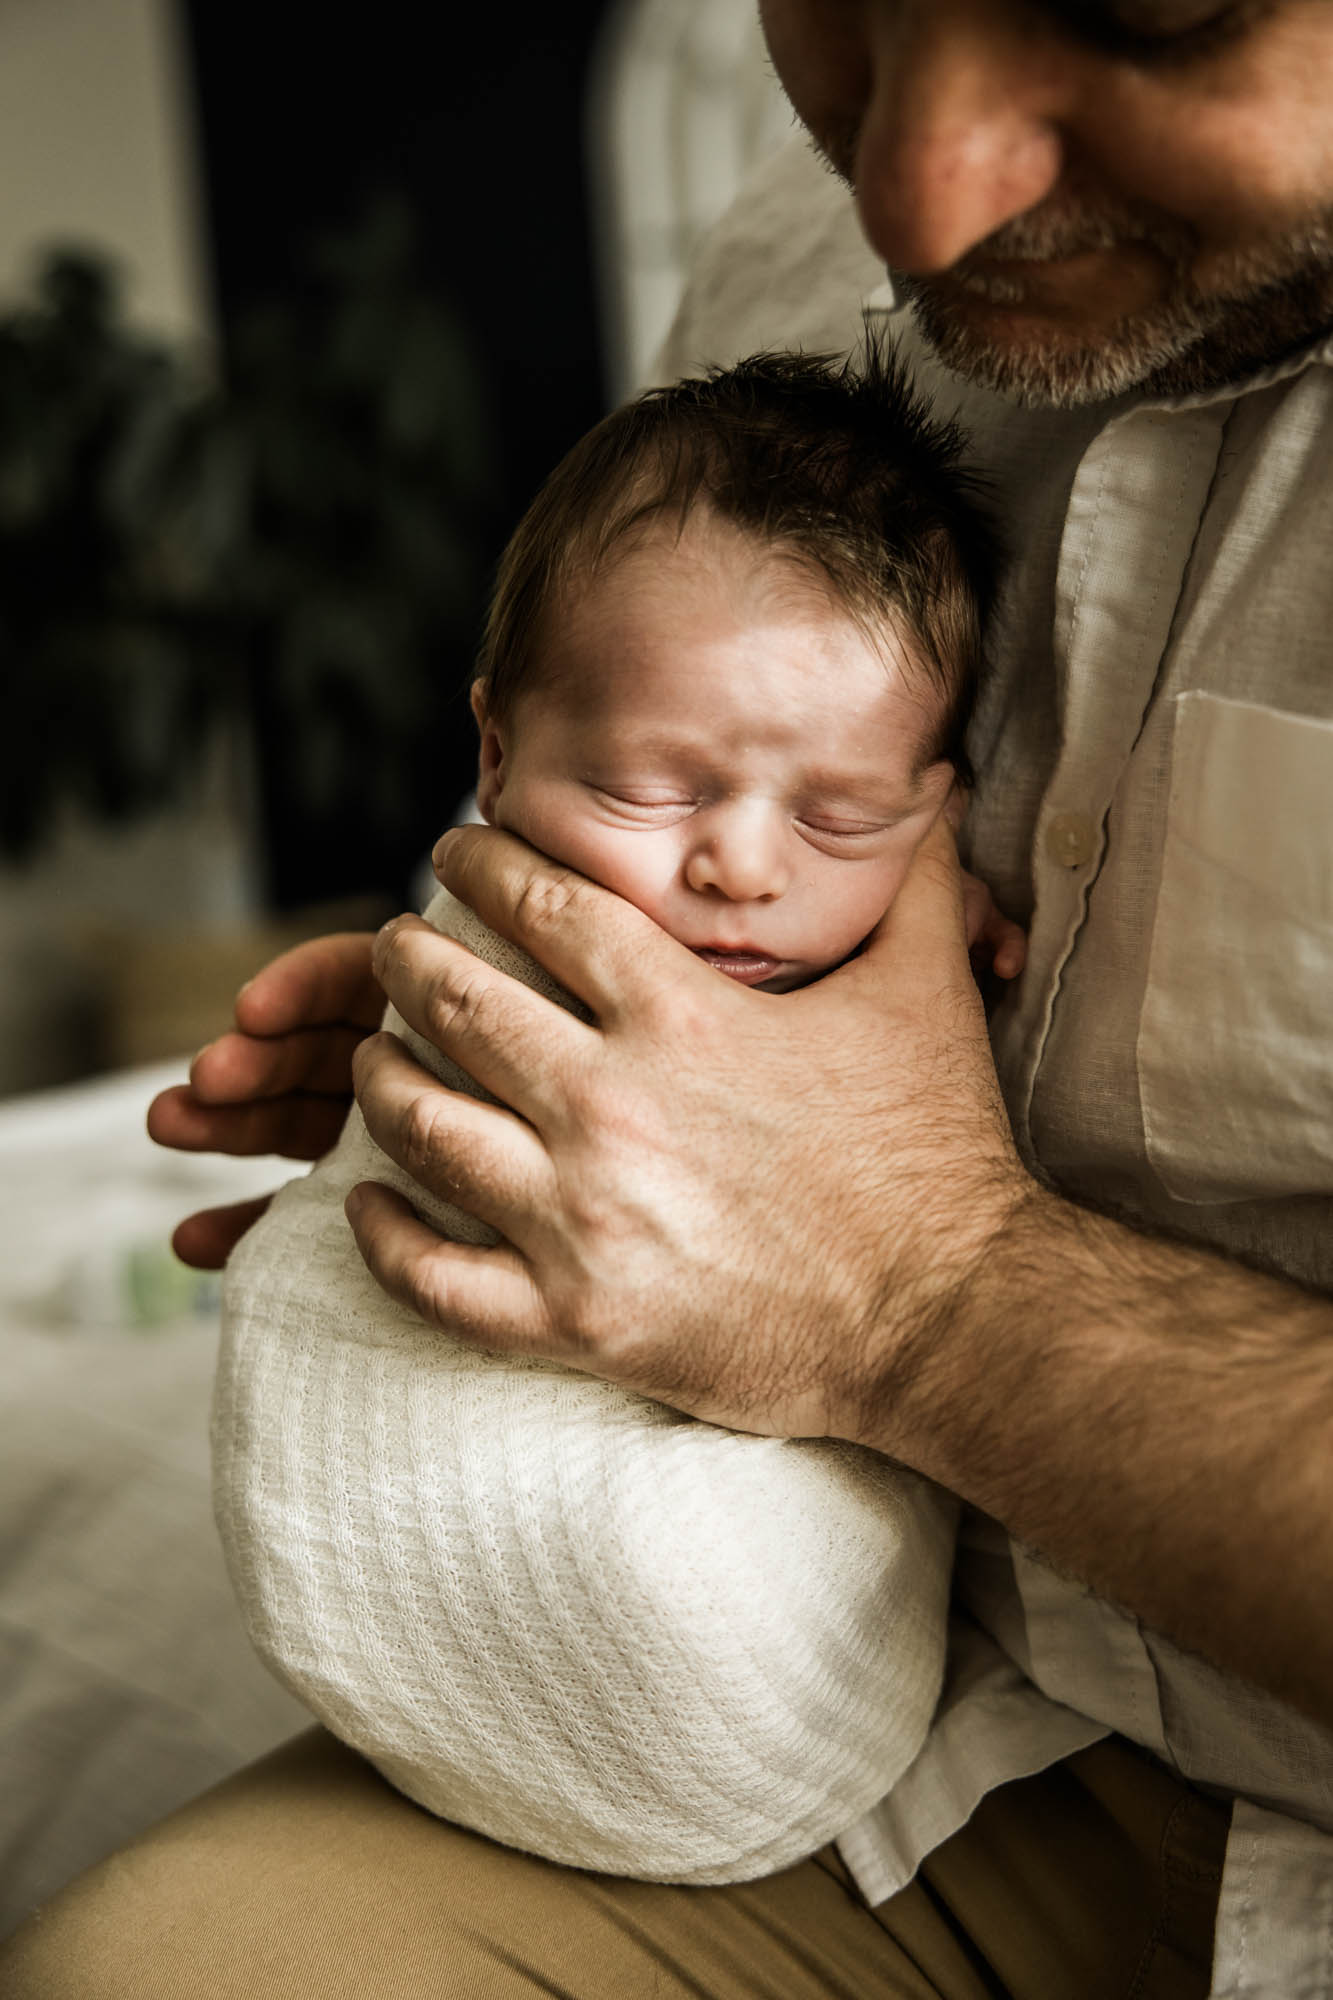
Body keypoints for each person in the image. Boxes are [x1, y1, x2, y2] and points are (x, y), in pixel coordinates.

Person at [6, 0, 1332, 1994]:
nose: (912, 189)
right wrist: (550, 1045)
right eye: (842, 10)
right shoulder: (799, 293)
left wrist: (923, 1284)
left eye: (1141, 16)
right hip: (962, 1738)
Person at [213, 348, 1025, 1889]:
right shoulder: (510, 928)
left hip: (764, 1682)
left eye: (839, 816)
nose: (737, 867)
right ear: (497, 753)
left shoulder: (867, 913)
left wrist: (936, 911)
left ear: (937, 805)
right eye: (656, 792)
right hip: (466, 1469)